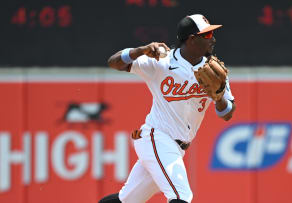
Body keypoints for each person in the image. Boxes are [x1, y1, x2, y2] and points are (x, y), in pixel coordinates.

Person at [99, 14, 236, 203]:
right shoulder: (161, 61)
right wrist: (140, 50)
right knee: (181, 196)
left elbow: (227, 114)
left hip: (176, 148)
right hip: (157, 138)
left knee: (126, 200)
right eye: (207, 34)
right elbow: (114, 62)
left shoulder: (214, 70)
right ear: (191, 39)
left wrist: (219, 97)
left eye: (212, 33)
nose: (213, 39)